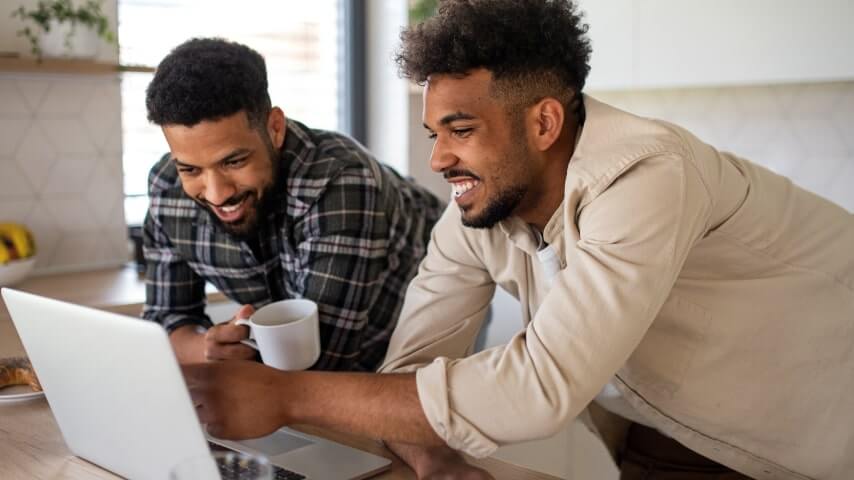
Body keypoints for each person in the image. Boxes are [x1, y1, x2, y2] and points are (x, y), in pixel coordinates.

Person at [180, 2, 854, 479]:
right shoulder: (474, 214)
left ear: (544, 122)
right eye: (432, 134)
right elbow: (408, 370)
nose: (439, 160)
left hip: (807, 440)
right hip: (669, 443)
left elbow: (542, 382)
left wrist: (287, 396)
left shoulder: (650, 171)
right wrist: (433, 457)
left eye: (461, 130)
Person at [142, 38, 444, 372]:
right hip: (314, 365)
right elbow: (166, 321)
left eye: (233, 162)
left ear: (274, 128)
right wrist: (207, 348)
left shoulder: (339, 181)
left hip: (424, 317)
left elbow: (326, 363)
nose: (216, 193)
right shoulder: (167, 189)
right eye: (191, 169)